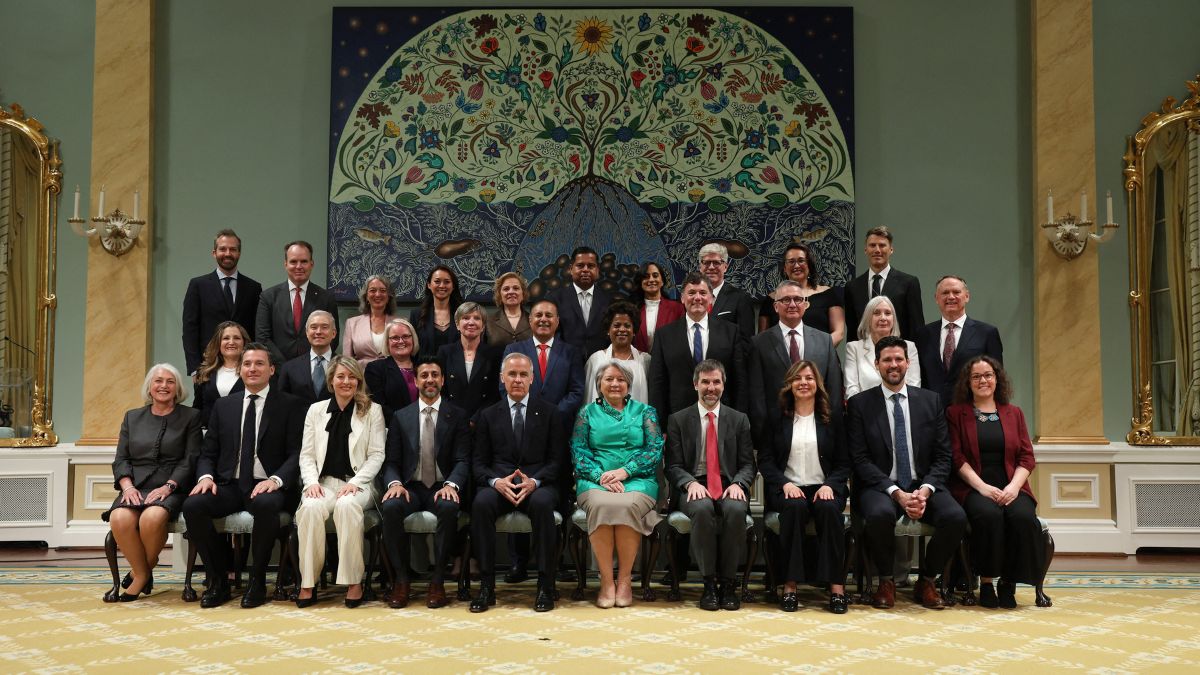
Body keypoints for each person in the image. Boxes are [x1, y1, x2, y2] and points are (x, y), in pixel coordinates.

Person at [846, 336, 967, 610]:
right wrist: (897, 494)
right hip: (880, 485)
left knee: (955, 517)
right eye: (887, 360)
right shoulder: (860, 405)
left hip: (923, 483)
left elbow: (942, 455)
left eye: (899, 359)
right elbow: (860, 459)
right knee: (879, 514)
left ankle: (926, 580)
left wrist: (924, 491)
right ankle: (885, 582)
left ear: (908, 363)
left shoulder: (931, 401)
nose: (893, 364)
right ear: (876, 365)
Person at [182, 343, 306, 608]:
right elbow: (208, 452)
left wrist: (277, 480)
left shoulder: (290, 405)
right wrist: (205, 477)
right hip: (230, 483)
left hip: (269, 485)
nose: (253, 369)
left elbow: (298, 453)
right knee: (194, 505)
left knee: (265, 505)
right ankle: (218, 580)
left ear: (271, 370)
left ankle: (257, 581)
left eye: (259, 364)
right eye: (247, 364)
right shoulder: (224, 406)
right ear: (240, 370)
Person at [470, 353, 565, 613]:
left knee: (545, 504)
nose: (518, 379)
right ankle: (487, 587)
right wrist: (494, 481)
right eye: (512, 374)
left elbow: (558, 461)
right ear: (502, 378)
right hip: (500, 484)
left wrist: (534, 481)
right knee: (480, 504)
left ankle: (546, 585)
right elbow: (478, 462)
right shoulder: (488, 415)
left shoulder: (551, 413)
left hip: (538, 484)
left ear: (532, 379)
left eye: (524, 374)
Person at [947, 356, 1044, 609]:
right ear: (967, 383)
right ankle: (987, 582)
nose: (983, 381)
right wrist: (982, 487)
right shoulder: (956, 413)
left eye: (988, 375)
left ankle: (1008, 582)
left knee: (1022, 517)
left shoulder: (1014, 413)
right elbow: (956, 458)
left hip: (1012, 486)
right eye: (976, 376)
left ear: (997, 378)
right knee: (989, 516)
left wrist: (1013, 487)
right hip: (974, 487)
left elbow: (1026, 456)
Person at [501, 298, 585, 581]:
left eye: (550, 315)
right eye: (538, 315)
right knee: (517, 491)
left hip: (558, 433)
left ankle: (555, 561)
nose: (544, 319)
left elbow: (576, 391)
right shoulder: (514, 350)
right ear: (530, 320)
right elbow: (506, 388)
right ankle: (518, 562)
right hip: (519, 432)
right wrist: (531, 414)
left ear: (557, 321)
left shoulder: (571, 352)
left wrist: (546, 415)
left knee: (555, 495)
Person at [378, 356, 471, 609]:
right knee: (391, 507)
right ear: (416, 380)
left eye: (435, 374)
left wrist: (452, 485)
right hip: (411, 486)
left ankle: (438, 581)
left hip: (442, 486)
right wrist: (395, 483)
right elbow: (392, 461)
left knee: (450, 508)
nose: (430, 379)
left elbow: (463, 459)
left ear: (442, 379)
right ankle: (401, 581)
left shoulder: (458, 415)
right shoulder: (401, 416)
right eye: (424, 375)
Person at [758, 360, 850, 613]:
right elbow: (765, 461)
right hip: (788, 487)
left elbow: (844, 462)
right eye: (797, 378)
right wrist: (785, 484)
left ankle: (836, 586)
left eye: (809, 378)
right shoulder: (776, 417)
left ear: (817, 384)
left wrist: (830, 484)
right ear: (789, 384)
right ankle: (790, 585)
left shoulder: (832, 417)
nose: (803, 383)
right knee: (795, 508)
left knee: (830, 510)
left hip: (824, 487)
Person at [104, 364, 201, 601]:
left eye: (170, 381)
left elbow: (191, 459)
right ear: (149, 386)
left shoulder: (191, 416)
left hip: (172, 486)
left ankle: (138, 577)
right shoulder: (132, 417)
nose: (164, 386)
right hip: (135, 485)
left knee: (152, 517)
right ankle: (146, 569)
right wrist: (127, 486)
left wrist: (169, 486)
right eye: (158, 381)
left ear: (177, 388)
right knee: (119, 517)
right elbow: (121, 458)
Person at [294, 356, 385, 608]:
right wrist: (310, 482)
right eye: (340, 377)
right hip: (322, 483)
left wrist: (356, 482)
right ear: (331, 381)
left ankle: (353, 582)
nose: (346, 381)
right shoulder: (316, 410)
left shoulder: (372, 411)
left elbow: (377, 454)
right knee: (310, 508)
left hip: (359, 484)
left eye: (352, 377)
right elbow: (307, 454)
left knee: (347, 505)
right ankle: (307, 582)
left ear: (358, 380)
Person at [570, 361, 663, 608]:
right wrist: (601, 476)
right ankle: (606, 581)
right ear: (599, 384)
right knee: (601, 504)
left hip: (638, 480)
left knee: (626, 505)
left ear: (628, 385)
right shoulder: (586, 413)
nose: (615, 384)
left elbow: (654, 450)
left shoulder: (645, 412)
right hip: (595, 480)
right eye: (609, 379)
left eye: (620, 379)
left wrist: (625, 471)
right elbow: (578, 450)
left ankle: (624, 581)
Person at [666, 359, 756, 611]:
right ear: (695, 384)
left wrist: (739, 482)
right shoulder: (678, 420)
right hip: (694, 484)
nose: (711, 387)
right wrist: (688, 482)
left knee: (736, 509)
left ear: (723, 386)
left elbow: (748, 464)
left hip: (729, 483)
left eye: (716, 382)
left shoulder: (739, 420)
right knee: (703, 508)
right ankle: (708, 585)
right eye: (705, 382)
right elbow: (672, 466)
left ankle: (728, 584)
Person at [748, 280, 842, 447]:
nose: (792, 304)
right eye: (786, 300)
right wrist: (762, 432)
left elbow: (833, 389)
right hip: (775, 431)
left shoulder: (825, 340)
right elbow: (756, 395)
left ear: (806, 305)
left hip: (818, 428)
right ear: (776, 307)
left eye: (798, 299)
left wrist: (832, 427)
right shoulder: (759, 343)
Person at [648, 272, 746, 428]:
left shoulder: (731, 331)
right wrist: (660, 426)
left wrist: (739, 421)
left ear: (711, 298)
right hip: (678, 420)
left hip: (722, 418)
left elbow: (739, 380)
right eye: (691, 293)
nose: (697, 298)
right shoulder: (664, 335)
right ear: (682, 298)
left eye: (703, 292)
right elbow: (657, 383)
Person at [181, 230, 262, 376]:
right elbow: (189, 330)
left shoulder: (254, 288)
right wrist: (194, 369)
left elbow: (256, 330)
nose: (228, 253)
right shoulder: (198, 285)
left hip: (244, 367)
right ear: (214, 253)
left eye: (233, 249)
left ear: (239, 253)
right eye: (223, 249)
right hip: (208, 367)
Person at [917, 275, 1004, 407]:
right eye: (945, 293)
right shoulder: (923, 334)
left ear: (967, 296)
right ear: (936, 298)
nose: (951, 297)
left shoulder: (987, 333)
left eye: (956, 292)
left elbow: (997, 378)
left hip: (972, 412)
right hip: (932, 414)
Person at [254, 240, 340, 366]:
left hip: (314, 370)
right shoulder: (268, 297)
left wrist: (311, 364)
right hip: (277, 371)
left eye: (304, 261)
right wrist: (285, 367)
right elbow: (263, 338)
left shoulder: (326, 298)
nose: (299, 266)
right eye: (293, 261)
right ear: (285, 264)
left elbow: (333, 337)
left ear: (311, 264)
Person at [843, 226, 924, 341]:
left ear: (891, 249)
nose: (877, 250)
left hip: (898, 354)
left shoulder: (909, 283)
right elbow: (852, 330)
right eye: (872, 245)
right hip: (864, 355)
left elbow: (916, 327)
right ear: (865, 250)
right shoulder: (852, 287)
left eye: (882, 245)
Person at [758, 242, 846, 345]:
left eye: (801, 260)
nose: (796, 265)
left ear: (809, 265)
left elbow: (838, 332)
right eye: (791, 261)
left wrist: (818, 352)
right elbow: (762, 339)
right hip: (782, 359)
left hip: (820, 358)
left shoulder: (828, 294)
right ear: (785, 268)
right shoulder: (771, 299)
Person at [844, 295, 922, 397]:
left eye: (888, 313)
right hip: (867, 410)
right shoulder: (853, 348)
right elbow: (851, 391)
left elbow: (914, 387)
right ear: (868, 319)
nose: (883, 318)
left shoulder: (909, 347)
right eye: (876, 313)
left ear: (893, 319)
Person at [437, 302, 502, 419]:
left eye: (477, 318)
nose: (471, 322)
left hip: (483, 421)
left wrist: (476, 419)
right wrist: (454, 416)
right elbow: (440, 390)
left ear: (483, 326)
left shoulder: (494, 354)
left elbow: (495, 393)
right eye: (466, 318)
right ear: (457, 324)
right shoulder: (445, 352)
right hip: (451, 419)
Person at [547, 246, 617, 355]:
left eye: (591, 266)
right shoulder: (555, 299)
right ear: (571, 269)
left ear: (597, 270)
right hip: (566, 363)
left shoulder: (609, 301)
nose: (585, 270)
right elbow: (551, 335)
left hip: (601, 365)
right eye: (580, 266)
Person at [583, 300, 651, 403]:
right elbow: (587, 398)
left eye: (627, 326)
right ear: (608, 330)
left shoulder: (645, 360)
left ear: (634, 331)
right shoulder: (596, 360)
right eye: (617, 325)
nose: (622, 329)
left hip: (637, 418)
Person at [192, 321, 250, 428]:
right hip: (210, 437)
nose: (231, 342)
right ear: (218, 343)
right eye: (226, 338)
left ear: (244, 343)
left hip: (242, 435)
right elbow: (197, 408)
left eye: (237, 338)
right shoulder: (204, 372)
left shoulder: (252, 372)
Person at [277, 310, 336, 406]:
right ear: (307, 333)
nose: (318, 332)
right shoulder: (289, 368)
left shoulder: (344, 365)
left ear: (333, 333)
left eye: (324, 327)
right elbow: (282, 403)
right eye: (313, 327)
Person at [365, 318, 419, 420]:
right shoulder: (375, 369)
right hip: (392, 429)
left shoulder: (423, 365)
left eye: (406, 336)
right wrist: (404, 424)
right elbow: (380, 406)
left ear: (413, 339)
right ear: (387, 342)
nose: (401, 341)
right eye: (395, 337)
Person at [698, 243, 755, 339]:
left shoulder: (740, 298)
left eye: (716, 262)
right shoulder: (692, 298)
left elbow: (746, 339)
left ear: (725, 267)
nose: (711, 267)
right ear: (700, 267)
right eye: (707, 262)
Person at [630, 260, 684, 353]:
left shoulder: (677, 309)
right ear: (640, 282)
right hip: (638, 364)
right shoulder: (632, 310)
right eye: (646, 277)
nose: (651, 280)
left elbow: (683, 341)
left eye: (655, 275)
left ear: (662, 281)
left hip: (668, 365)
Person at [342, 275, 396, 366]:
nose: (378, 294)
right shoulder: (352, 324)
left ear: (388, 297)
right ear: (366, 296)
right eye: (372, 290)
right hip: (362, 377)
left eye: (382, 291)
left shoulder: (400, 323)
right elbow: (347, 361)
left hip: (392, 376)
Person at [410, 265, 462, 355]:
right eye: (437, 281)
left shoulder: (463, 314)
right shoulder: (416, 315)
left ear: (453, 286)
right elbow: (413, 349)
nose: (442, 286)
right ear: (429, 285)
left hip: (456, 368)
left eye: (447, 282)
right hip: (426, 367)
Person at [485, 272, 532, 347]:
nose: (511, 292)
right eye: (506, 289)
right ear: (499, 295)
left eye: (516, 288)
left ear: (523, 293)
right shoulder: (488, 322)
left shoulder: (533, 320)